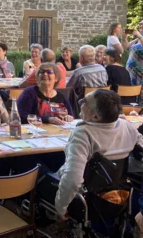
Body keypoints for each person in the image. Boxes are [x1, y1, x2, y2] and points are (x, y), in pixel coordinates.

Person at [55, 90, 143, 219]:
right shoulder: (126, 126)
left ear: (95, 117)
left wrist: (61, 208)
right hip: (118, 187)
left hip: (87, 192)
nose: (80, 103)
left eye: (84, 102)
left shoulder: (83, 134)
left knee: (40, 169)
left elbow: (73, 180)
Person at [122, 21, 143, 85]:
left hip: (141, 72)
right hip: (132, 72)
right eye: (140, 24)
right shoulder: (138, 39)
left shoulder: (140, 37)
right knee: (131, 92)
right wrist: (124, 38)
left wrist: (139, 36)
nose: (141, 26)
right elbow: (126, 47)